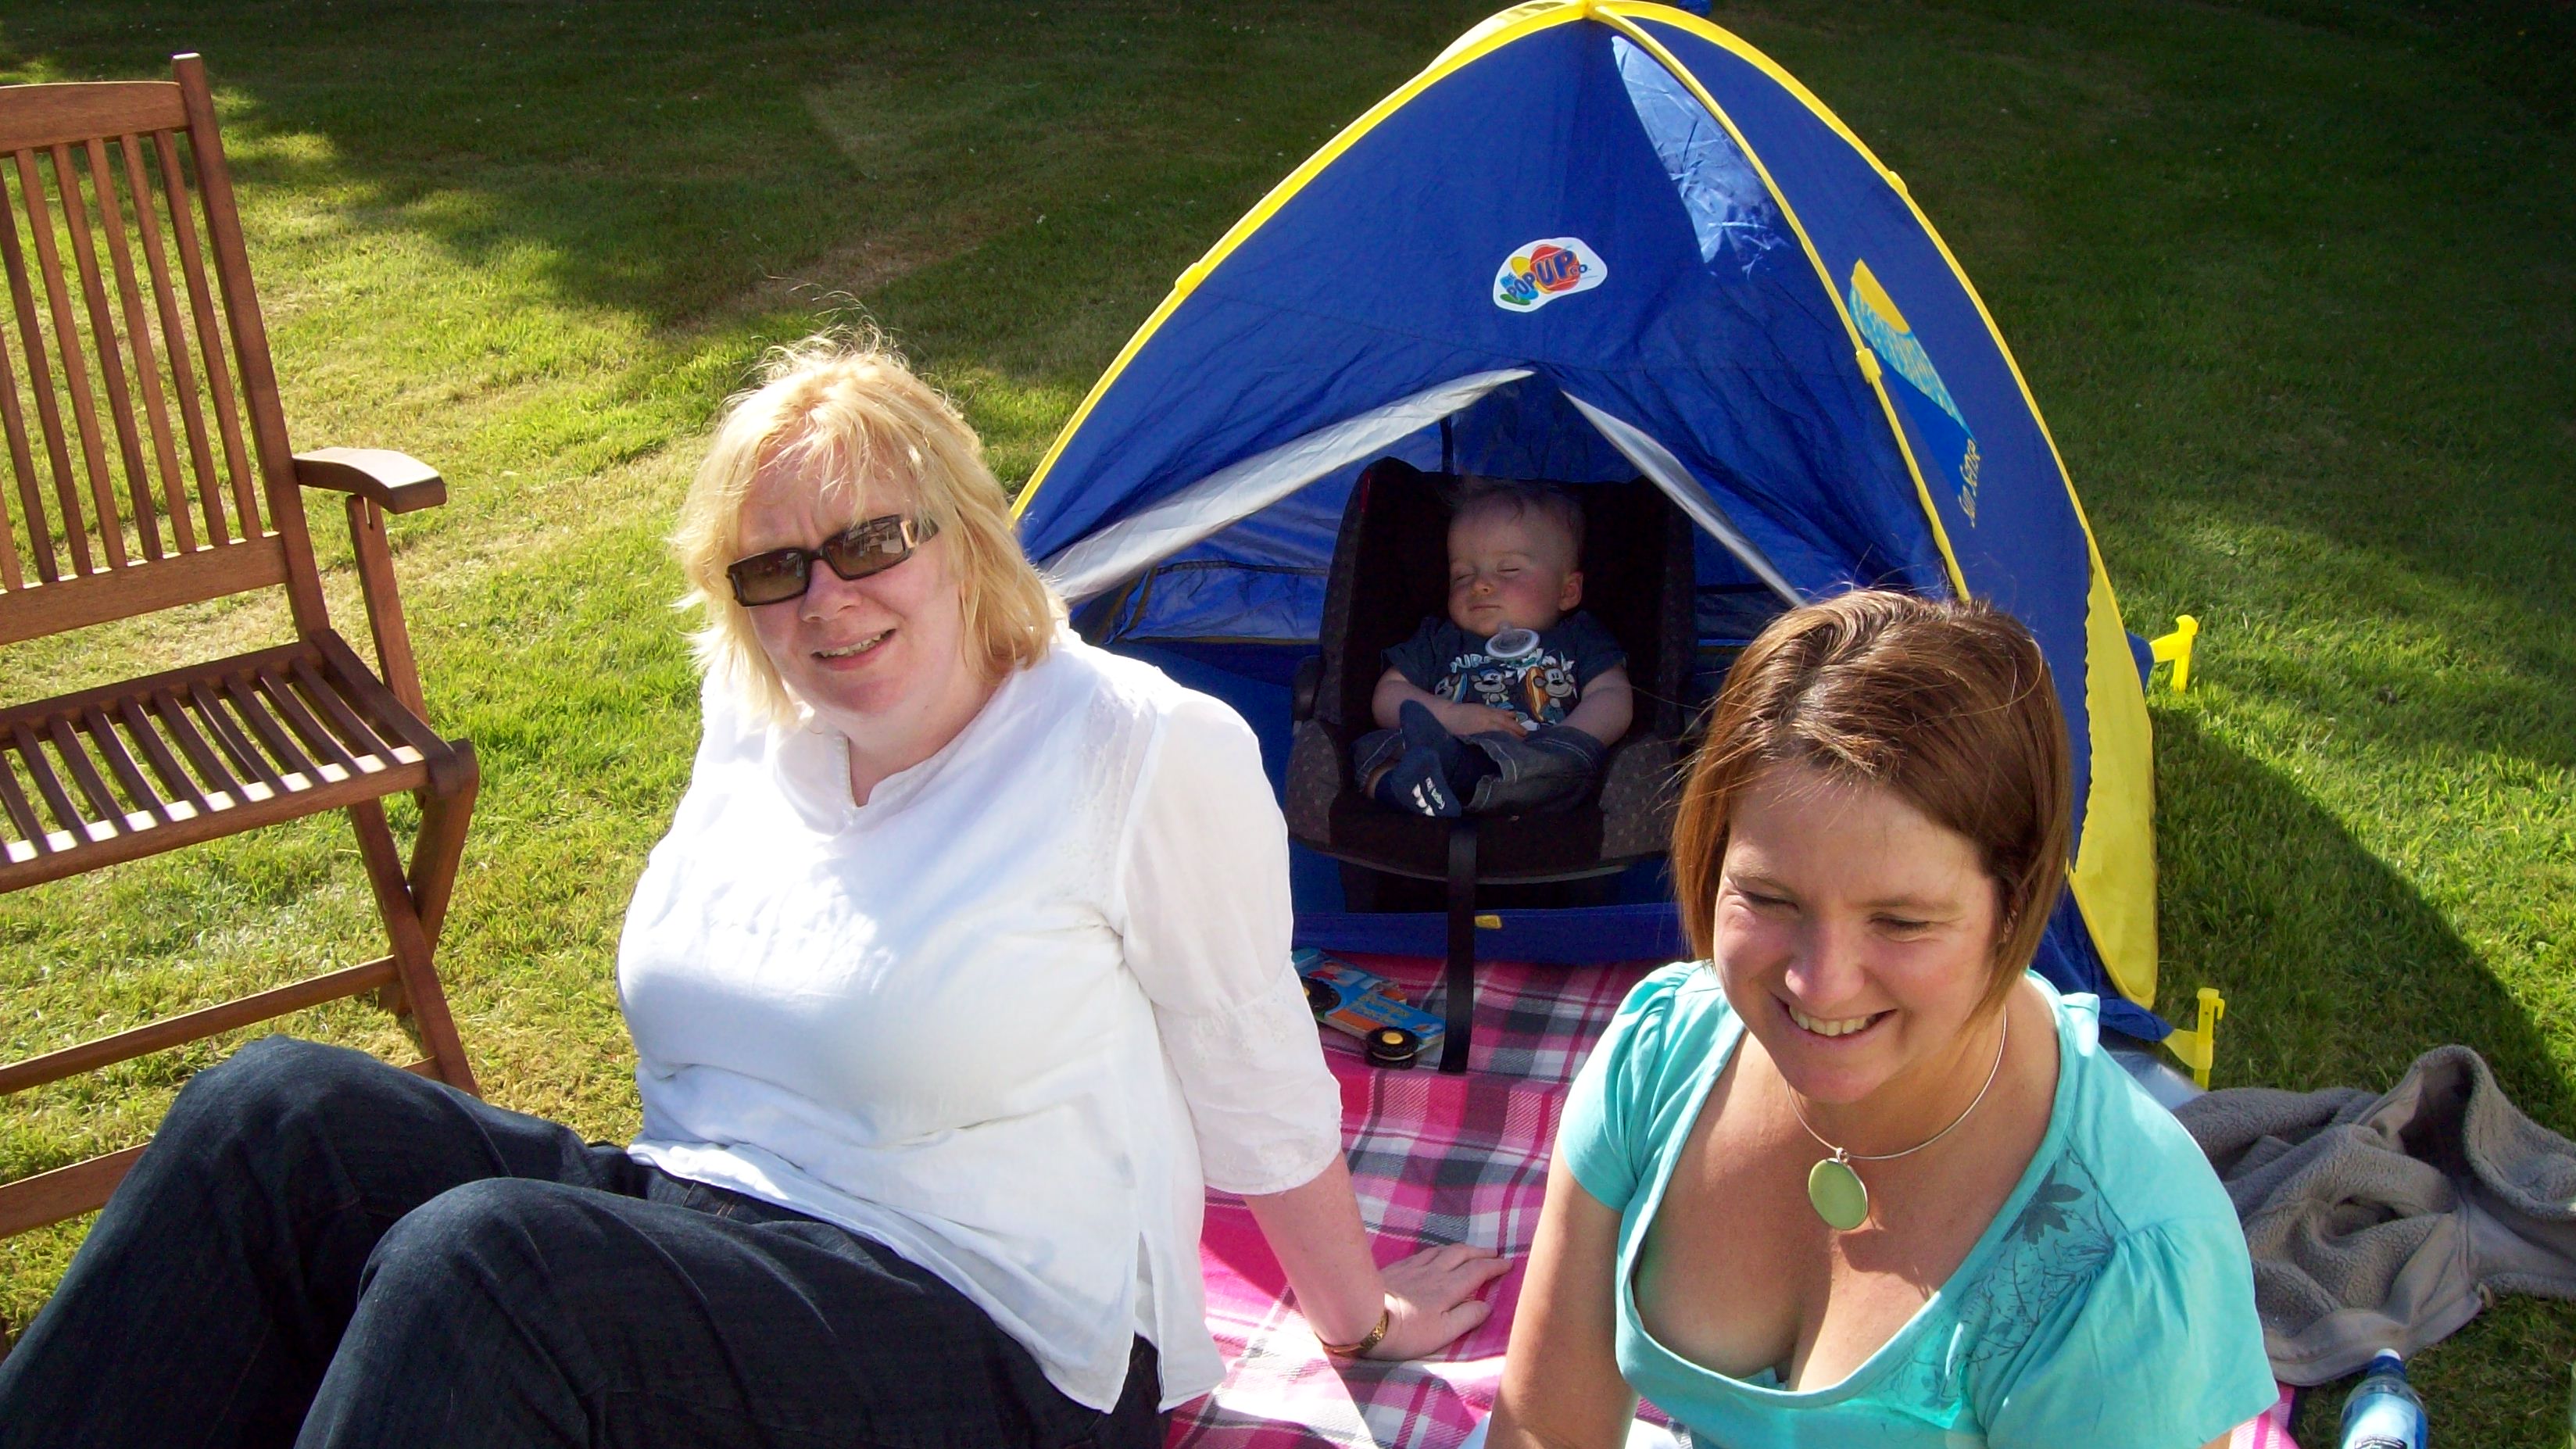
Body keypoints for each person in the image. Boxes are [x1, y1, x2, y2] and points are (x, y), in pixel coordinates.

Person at [0, 335, 1507, 1448]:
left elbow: (1248, 1066)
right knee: (271, 1114)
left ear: (965, 534)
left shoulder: (1132, 745)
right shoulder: (761, 708)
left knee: (486, 1266)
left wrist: (1357, 1314)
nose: (824, 601)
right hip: (707, 1223)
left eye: (869, 540)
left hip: (994, 1337)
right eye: (772, 568)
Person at [1484, 591, 2274, 1449]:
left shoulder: (2116, 1272)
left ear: (2013, 907)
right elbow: (1544, 1430)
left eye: (1899, 921)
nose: (1819, 985)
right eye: (1769, 898)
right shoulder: (1663, 1055)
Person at [1353, 478, 1633, 818]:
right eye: (1462, 575)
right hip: (1447, 743)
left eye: (1509, 569)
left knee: (1577, 765)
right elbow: (1388, 694)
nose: (1481, 585)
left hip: (1536, 759)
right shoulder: (1440, 638)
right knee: (1370, 748)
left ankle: (1452, 782)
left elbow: (1612, 695)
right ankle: (1407, 790)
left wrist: (1566, 739)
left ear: (1567, 591)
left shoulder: (1579, 636)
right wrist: (1451, 717)